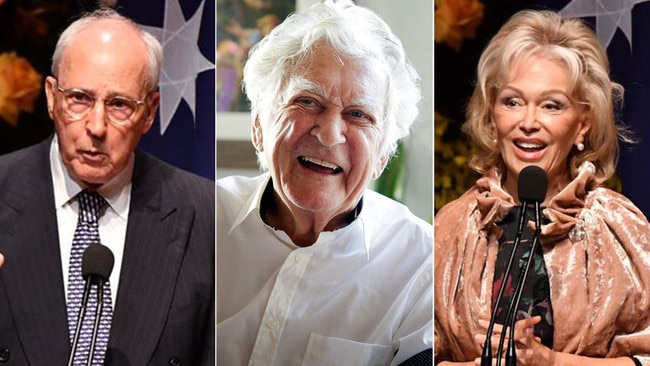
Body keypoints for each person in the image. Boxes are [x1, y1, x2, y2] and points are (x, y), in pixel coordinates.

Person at [216, 0, 432, 364]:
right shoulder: (200, 219)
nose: (330, 134)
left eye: (358, 114)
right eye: (308, 101)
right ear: (258, 127)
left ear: (382, 157)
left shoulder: (421, 265)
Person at [434, 9, 650, 365]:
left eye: (551, 105)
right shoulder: (453, 227)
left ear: (583, 123)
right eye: (512, 102)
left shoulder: (621, 228)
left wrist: (547, 362)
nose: (528, 122)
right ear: (492, 115)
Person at [0, 8, 214, 365]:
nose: (96, 126)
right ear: (52, 97)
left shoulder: (205, 215)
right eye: (79, 98)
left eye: (118, 105)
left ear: (149, 112)